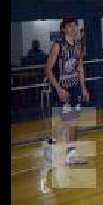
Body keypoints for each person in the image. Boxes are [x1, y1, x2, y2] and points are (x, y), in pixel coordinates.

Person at [39, 19, 90, 194]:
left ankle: (70, 154)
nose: (74, 28)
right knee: (67, 120)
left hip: (75, 85)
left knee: (74, 121)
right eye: (70, 26)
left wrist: (83, 87)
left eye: (75, 25)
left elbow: (80, 67)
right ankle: (48, 144)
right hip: (62, 87)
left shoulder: (78, 45)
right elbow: (48, 69)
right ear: (64, 29)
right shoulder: (58, 46)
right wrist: (58, 88)